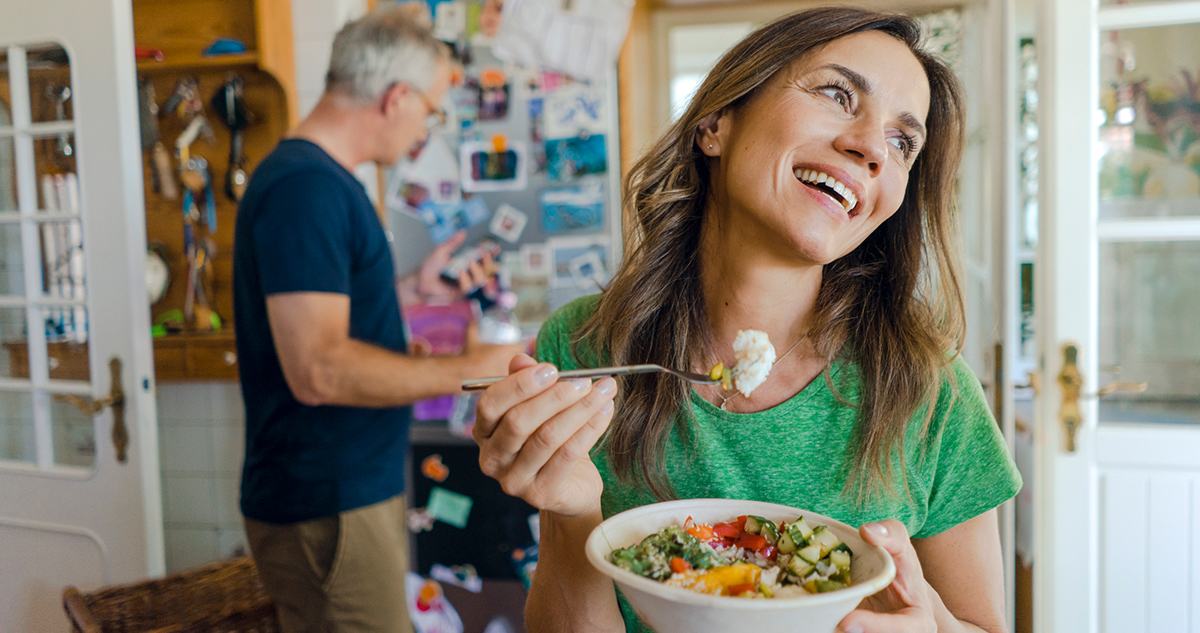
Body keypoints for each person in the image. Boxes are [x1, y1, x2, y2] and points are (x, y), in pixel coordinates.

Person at [472, 7, 1020, 633]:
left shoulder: (931, 390)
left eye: (903, 142)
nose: (871, 147)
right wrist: (573, 515)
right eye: (837, 94)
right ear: (716, 122)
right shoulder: (586, 349)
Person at [232, 7, 523, 633]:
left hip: (345, 491)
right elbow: (319, 370)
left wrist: (412, 288)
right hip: (327, 502)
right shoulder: (306, 188)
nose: (427, 129)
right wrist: (473, 368)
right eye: (432, 110)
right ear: (396, 98)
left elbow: (323, 312)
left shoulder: (320, 182)